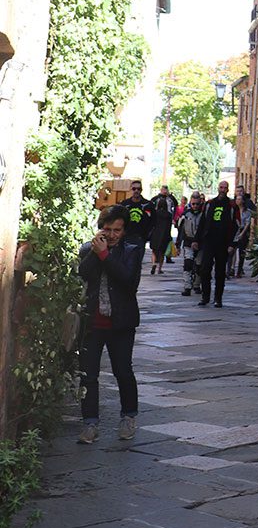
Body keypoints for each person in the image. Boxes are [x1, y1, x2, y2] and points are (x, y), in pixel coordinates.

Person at [77, 205, 142, 444]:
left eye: (117, 230)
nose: (113, 235)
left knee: (123, 371)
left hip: (121, 324)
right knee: (88, 375)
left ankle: (128, 416)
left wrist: (106, 255)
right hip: (92, 323)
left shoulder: (132, 251)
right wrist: (96, 253)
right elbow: (83, 273)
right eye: (108, 229)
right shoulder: (89, 249)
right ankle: (90, 423)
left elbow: (128, 281)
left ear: (124, 230)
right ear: (100, 229)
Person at [199, 180, 236, 307]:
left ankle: (218, 298)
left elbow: (236, 226)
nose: (222, 190)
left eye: (225, 188)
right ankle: (205, 296)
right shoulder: (210, 204)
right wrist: (197, 240)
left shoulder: (231, 206)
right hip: (209, 241)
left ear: (228, 190)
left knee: (220, 272)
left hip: (223, 243)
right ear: (218, 188)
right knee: (205, 270)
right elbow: (202, 223)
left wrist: (232, 244)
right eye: (221, 187)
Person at [175, 191, 206, 296]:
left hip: (201, 243)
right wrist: (178, 244)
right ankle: (187, 286)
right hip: (188, 241)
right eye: (193, 204)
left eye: (197, 204)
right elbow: (181, 230)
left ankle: (197, 285)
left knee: (199, 265)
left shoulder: (204, 214)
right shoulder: (186, 214)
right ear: (190, 203)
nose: (195, 206)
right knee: (187, 264)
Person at [147, 185, 177, 275]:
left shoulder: (155, 214)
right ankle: (159, 269)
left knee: (154, 251)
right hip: (164, 234)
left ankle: (153, 264)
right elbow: (176, 203)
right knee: (161, 253)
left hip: (155, 233)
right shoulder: (168, 215)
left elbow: (151, 223)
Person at [227, 188, 254, 279]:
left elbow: (247, 223)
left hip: (243, 231)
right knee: (231, 251)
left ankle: (239, 270)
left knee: (241, 252)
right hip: (234, 231)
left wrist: (242, 233)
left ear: (243, 201)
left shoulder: (247, 211)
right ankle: (229, 270)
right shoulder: (233, 210)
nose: (237, 201)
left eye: (239, 199)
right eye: (236, 199)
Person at [121, 180, 152, 254]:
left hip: (141, 237)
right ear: (131, 189)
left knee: (137, 261)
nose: (136, 191)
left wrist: (148, 235)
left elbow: (153, 221)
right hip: (127, 236)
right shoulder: (125, 204)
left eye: (139, 189)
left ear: (141, 190)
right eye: (134, 189)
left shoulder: (148, 205)